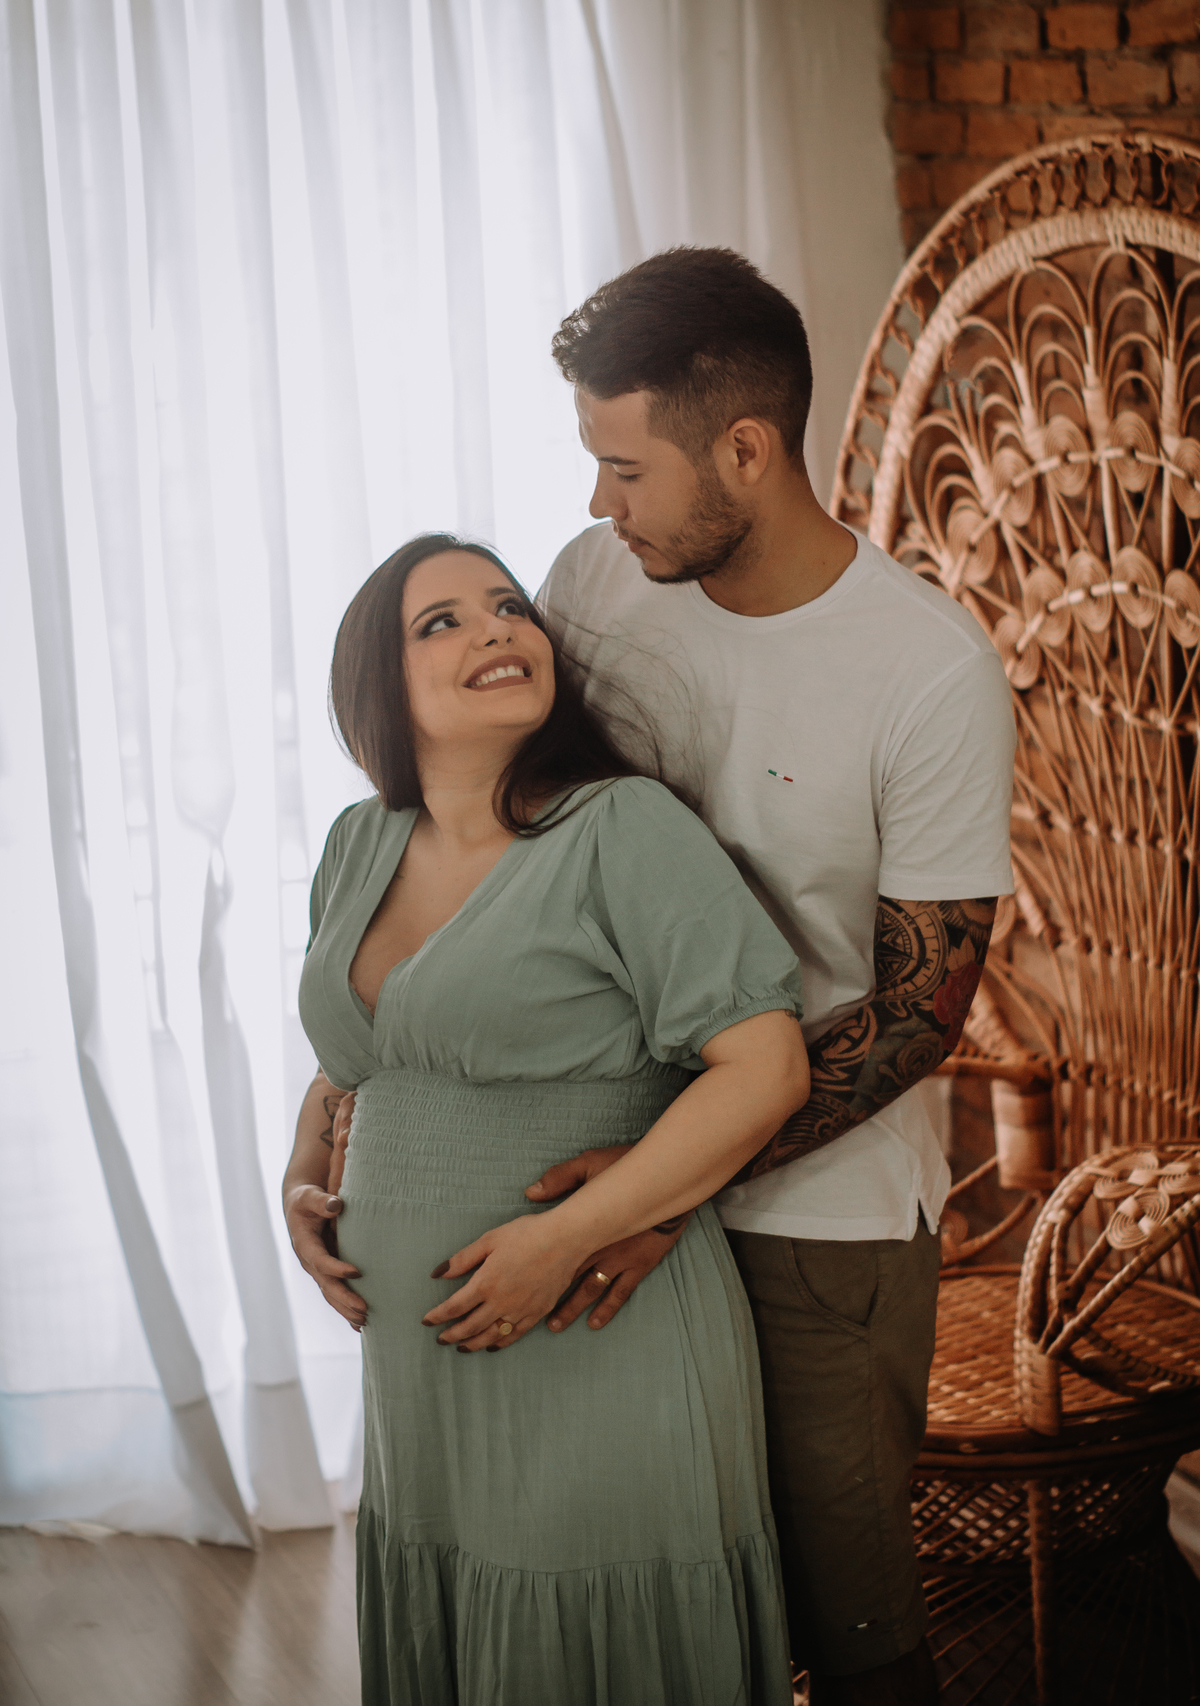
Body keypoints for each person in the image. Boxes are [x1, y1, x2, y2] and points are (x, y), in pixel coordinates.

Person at [524, 248, 1016, 1705]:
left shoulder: (928, 671)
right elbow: (507, 838)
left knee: (856, 1639)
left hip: (821, 1221)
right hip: (591, 1173)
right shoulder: (594, 587)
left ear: (745, 449)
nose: (598, 503)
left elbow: (921, 1012)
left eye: (626, 467)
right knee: (655, 1619)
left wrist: (663, 1180)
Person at [282, 532, 811, 1705]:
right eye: (443, 620)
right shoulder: (358, 844)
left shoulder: (622, 826)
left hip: (593, 1331)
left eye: (509, 605)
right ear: (377, 682)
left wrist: (561, 1238)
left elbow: (766, 1067)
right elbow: (355, 1059)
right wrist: (300, 1175)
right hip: (420, 1378)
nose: (497, 628)